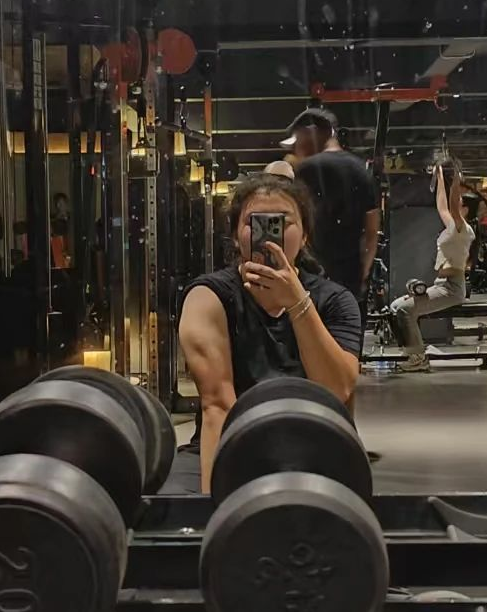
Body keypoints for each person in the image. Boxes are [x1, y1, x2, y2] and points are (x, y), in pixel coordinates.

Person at [178, 174, 361, 490]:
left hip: (313, 446)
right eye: (256, 222)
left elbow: (336, 389)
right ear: (236, 235)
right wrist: (213, 504)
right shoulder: (209, 298)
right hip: (230, 442)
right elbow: (217, 406)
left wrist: (297, 303)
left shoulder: (335, 300)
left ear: (305, 235)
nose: (268, 234)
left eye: (282, 222)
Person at [281, 108, 380, 339]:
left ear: (312, 133)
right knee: (347, 348)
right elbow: (372, 230)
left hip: (313, 281)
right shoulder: (360, 169)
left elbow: (294, 222)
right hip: (349, 283)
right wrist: (362, 271)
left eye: (298, 140)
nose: (296, 148)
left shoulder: (307, 169)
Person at [388, 161, 472, 370]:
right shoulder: (451, 228)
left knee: (405, 310)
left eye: (461, 203)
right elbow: (442, 206)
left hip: (452, 288)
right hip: (441, 284)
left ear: (465, 210)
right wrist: (441, 175)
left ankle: (418, 358)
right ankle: (409, 351)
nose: (457, 204)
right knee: (396, 306)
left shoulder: (462, 229)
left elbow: (451, 204)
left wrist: (456, 179)